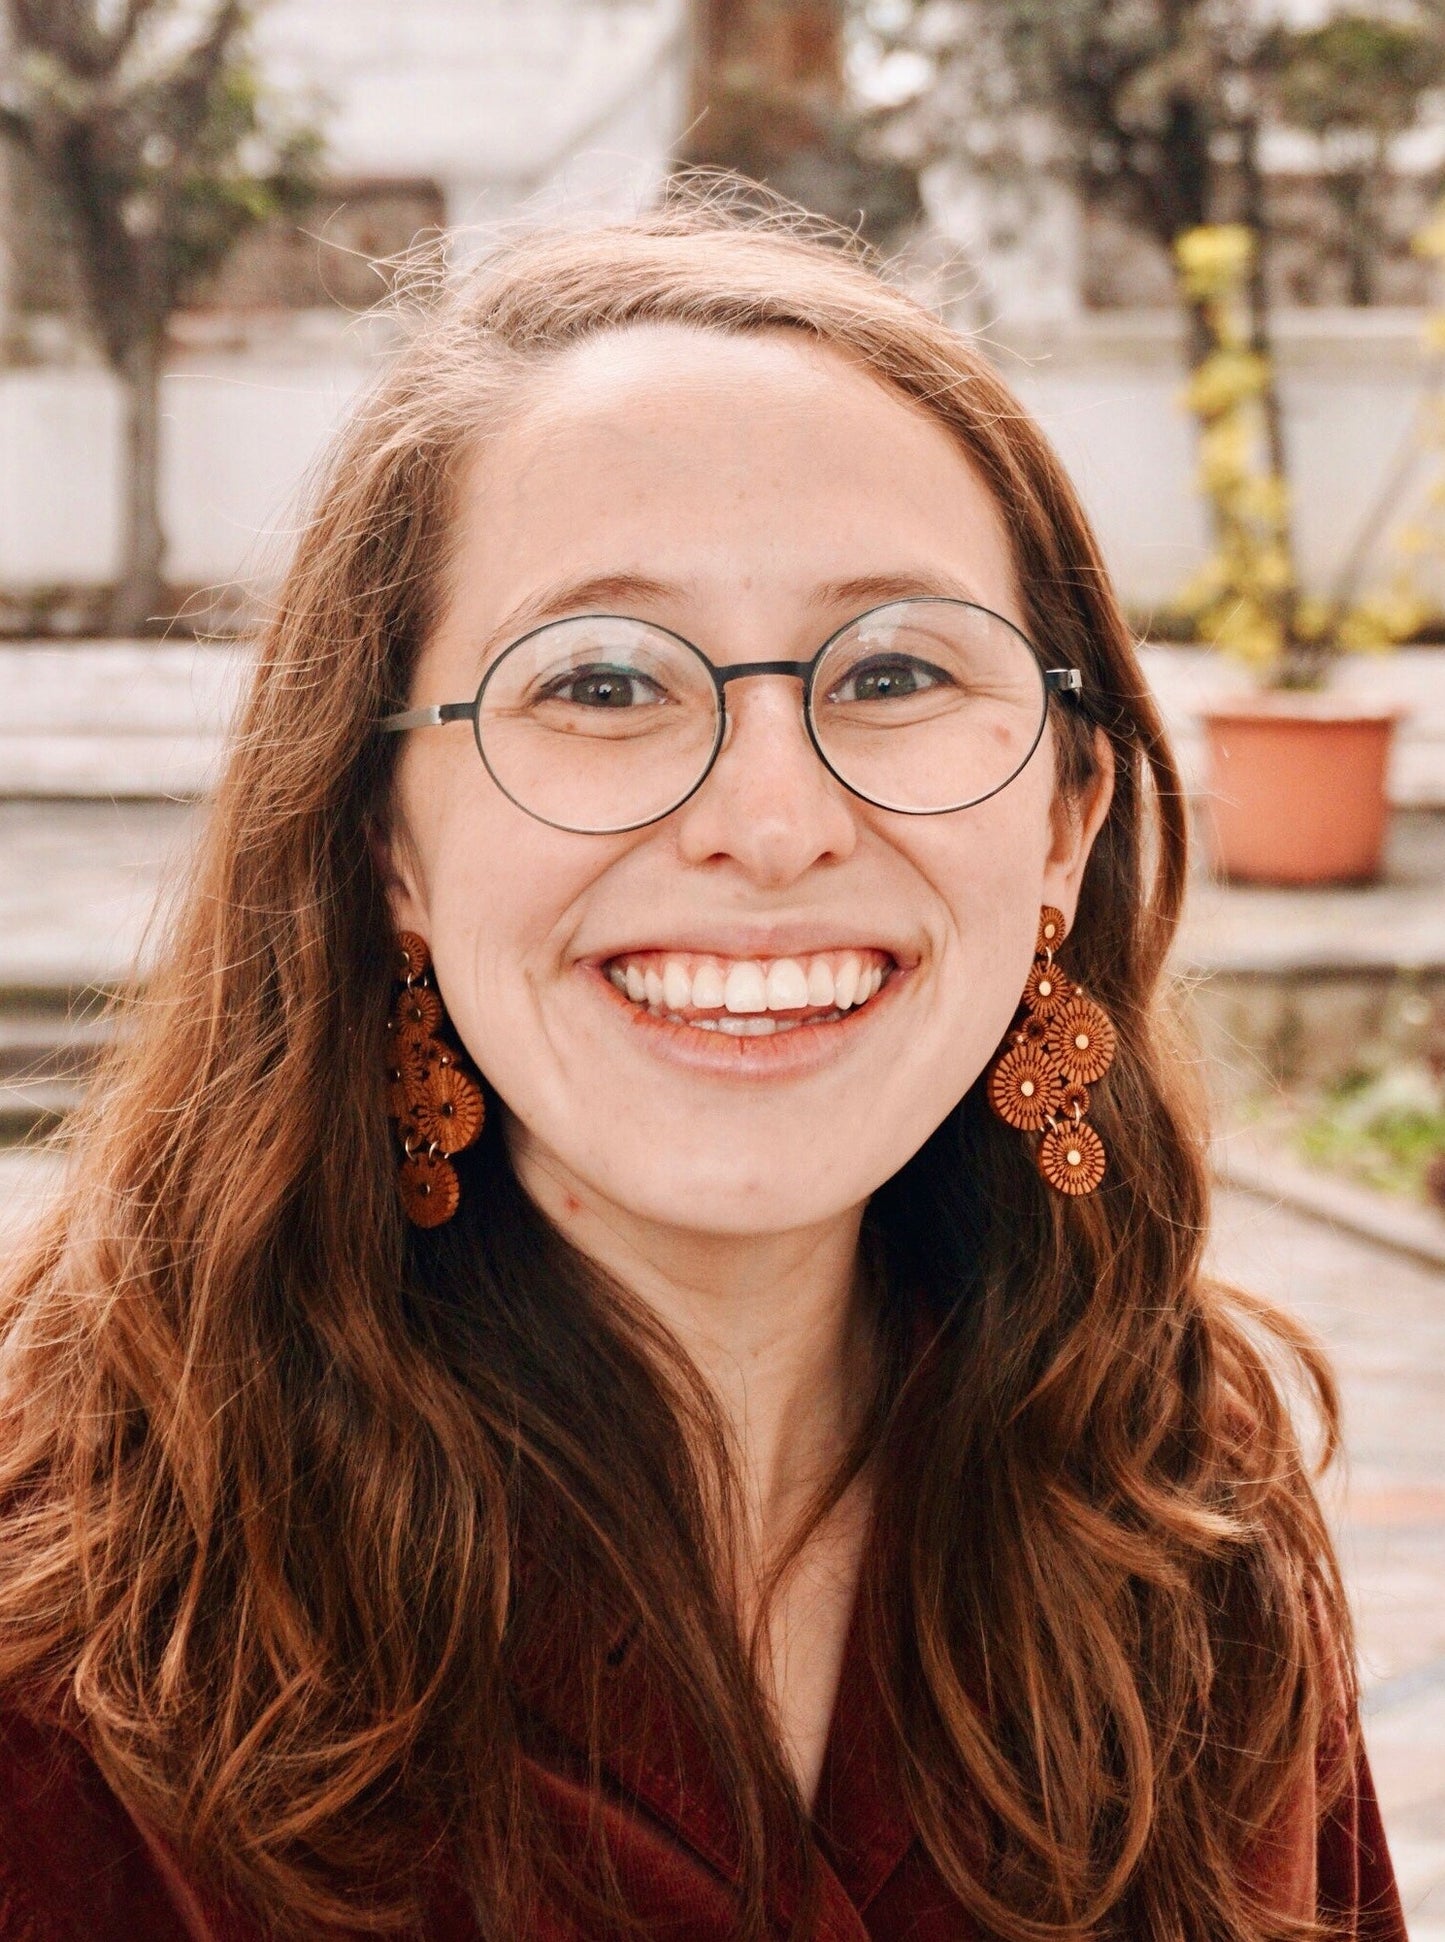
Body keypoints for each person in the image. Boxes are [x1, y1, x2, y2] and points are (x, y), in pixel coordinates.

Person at [0, 189, 1406, 1942]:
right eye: (598, 683)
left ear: (1064, 822)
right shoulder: (55, 1620)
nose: (768, 824)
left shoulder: (1182, 1506)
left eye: (892, 667)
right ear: (385, 842)